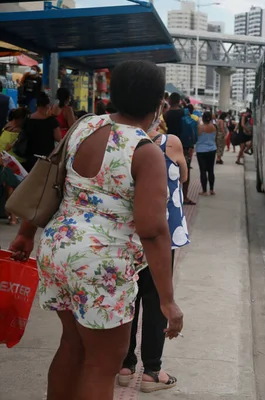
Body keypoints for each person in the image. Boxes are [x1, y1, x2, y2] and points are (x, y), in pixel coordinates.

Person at [9, 60, 184, 400]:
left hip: (59, 249)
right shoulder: (144, 150)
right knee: (102, 364)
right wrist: (168, 301)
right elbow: (153, 231)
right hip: (102, 265)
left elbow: (50, 178)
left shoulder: (84, 127)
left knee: (72, 346)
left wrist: (27, 233)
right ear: (158, 103)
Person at [119, 118, 190, 393]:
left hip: (125, 235)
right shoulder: (169, 142)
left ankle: (125, 365)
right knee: (157, 297)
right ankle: (152, 371)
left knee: (129, 298)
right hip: (160, 234)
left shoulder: (117, 142)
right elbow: (183, 177)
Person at [18, 92, 61, 172]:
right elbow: (58, 138)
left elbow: (22, 135)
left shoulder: (28, 120)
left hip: (30, 157)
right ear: (48, 106)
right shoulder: (52, 121)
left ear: (36, 105)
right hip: (46, 157)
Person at [165, 92, 195, 205]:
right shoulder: (184, 113)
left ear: (170, 101)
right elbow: (190, 128)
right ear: (179, 101)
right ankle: (185, 196)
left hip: (168, 146)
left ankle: (170, 196)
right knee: (185, 171)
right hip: (184, 146)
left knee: (169, 171)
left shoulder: (166, 114)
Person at [196, 111, 217, 195]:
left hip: (201, 150)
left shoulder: (200, 128)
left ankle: (204, 190)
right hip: (212, 149)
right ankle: (211, 189)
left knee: (203, 170)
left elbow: (196, 137)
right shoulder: (214, 127)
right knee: (211, 170)